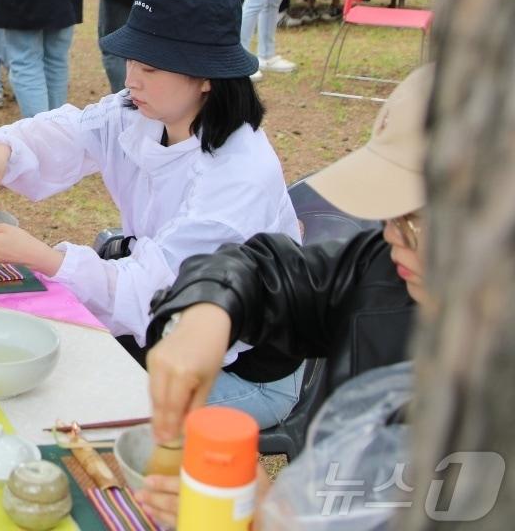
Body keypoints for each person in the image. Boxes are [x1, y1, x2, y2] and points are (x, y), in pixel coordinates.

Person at [0, 0, 303, 430]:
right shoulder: (145, 112)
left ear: (207, 77)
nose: (131, 77)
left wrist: (40, 257)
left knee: (64, 404)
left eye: (152, 67)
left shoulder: (238, 178)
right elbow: (75, 130)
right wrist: (4, 151)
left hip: (237, 366)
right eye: (133, 58)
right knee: (40, 356)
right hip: (165, 331)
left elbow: (157, 295)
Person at [137, 64, 432, 527]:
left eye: (413, 218)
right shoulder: (383, 271)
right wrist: (209, 307)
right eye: (387, 211)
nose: (390, 233)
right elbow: (263, 268)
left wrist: (274, 517)